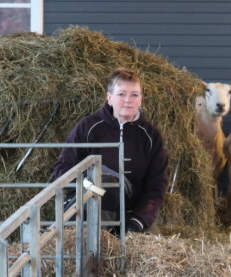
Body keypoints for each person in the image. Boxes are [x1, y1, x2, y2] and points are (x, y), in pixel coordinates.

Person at [53, 68, 169, 233]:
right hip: (90, 209)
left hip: (131, 215)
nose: (128, 100)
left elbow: (157, 185)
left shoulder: (150, 136)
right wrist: (89, 185)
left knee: (151, 251)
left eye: (134, 95)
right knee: (106, 181)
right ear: (109, 98)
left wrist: (139, 221)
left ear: (141, 100)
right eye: (121, 94)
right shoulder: (88, 126)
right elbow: (62, 168)